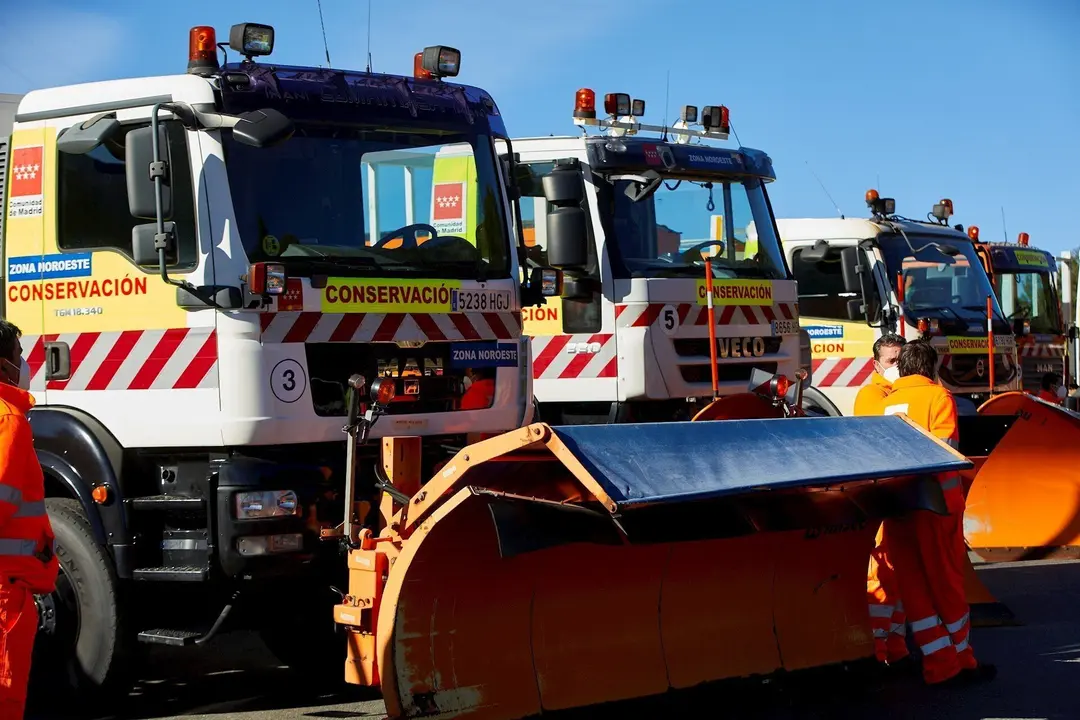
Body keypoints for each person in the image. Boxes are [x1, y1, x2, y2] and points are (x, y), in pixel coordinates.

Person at [880, 340, 996, 687]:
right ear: (931, 368)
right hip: (936, 506)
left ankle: (938, 663)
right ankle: (963, 660)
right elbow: (946, 452)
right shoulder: (937, 398)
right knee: (946, 582)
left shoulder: (887, 403)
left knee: (913, 585)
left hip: (897, 505)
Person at [0, 320, 59, 718]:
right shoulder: (9, 421)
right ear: (4, 365)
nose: (24, 363)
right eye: (19, 355)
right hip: (5, 595)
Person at [854, 334, 911, 670]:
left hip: (896, 494)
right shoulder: (871, 396)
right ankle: (878, 650)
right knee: (881, 575)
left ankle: (896, 646)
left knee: (896, 577)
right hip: (882, 494)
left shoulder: (898, 393)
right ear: (876, 365)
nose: (896, 368)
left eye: (900, 361)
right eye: (890, 361)